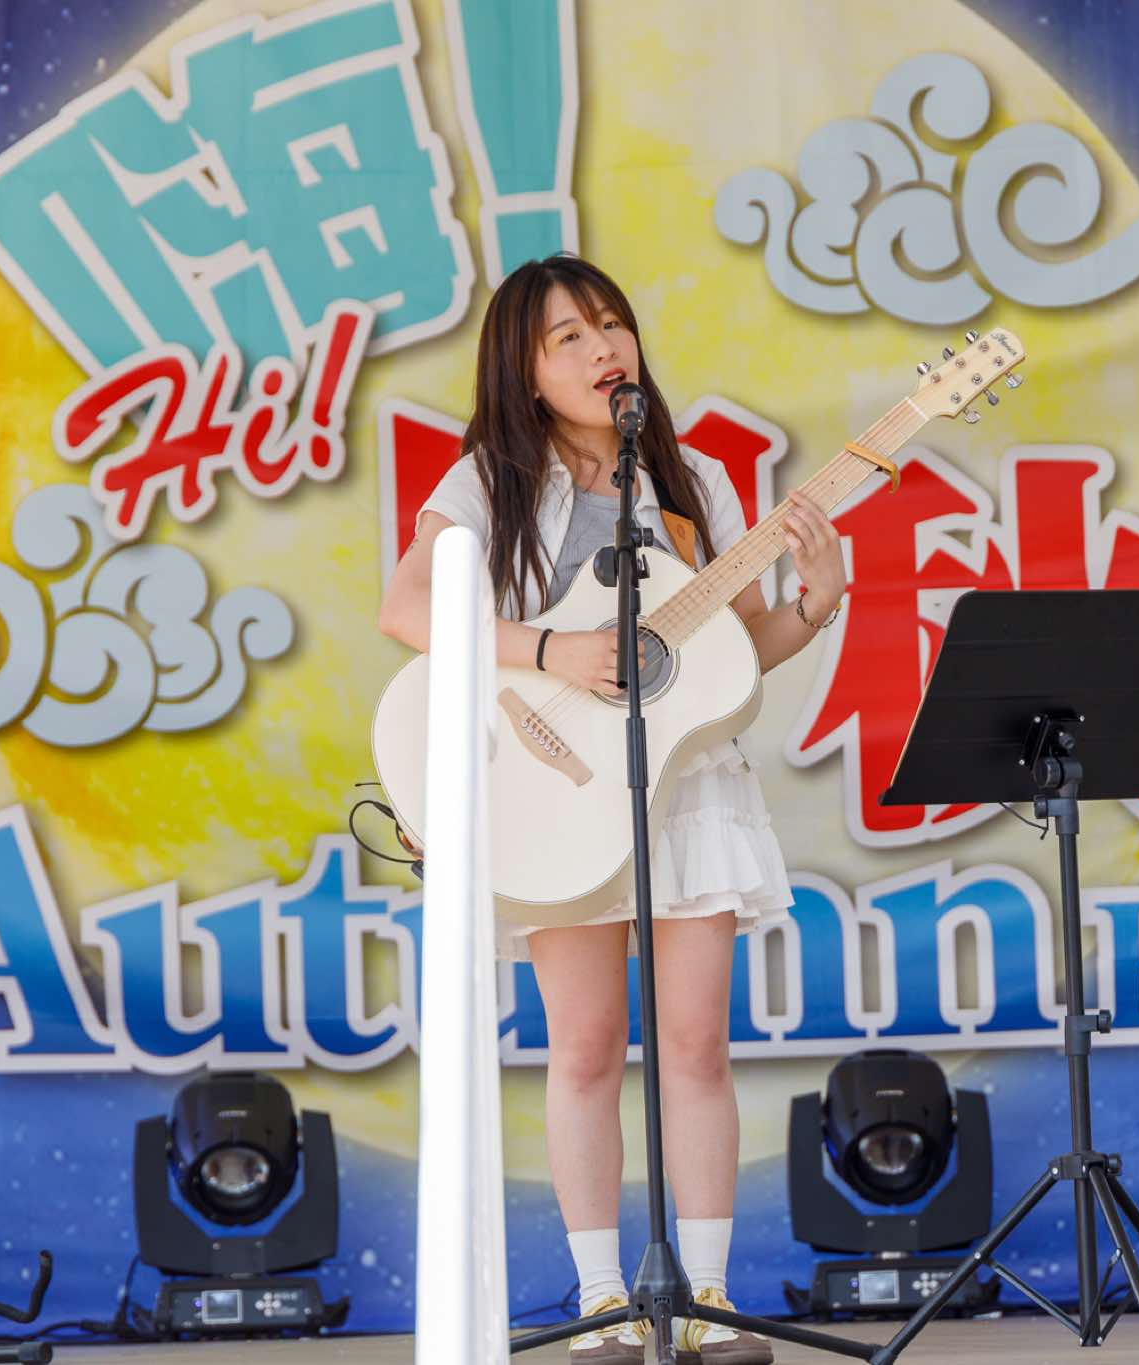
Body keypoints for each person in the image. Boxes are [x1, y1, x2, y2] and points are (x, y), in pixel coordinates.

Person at [377, 255, 846, 1363]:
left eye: (611, 325)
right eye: (569, 338)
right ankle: (600, 1300)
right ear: (524, 371)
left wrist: (811, 610)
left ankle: (705, 1296)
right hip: (552, 787)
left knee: (695, 1043)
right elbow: (407, 608)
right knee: (584, 1046)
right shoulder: (487, 483)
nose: (603, 350)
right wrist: (553, 650)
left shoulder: (690, 487)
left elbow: (723, 662)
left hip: (687, 787)